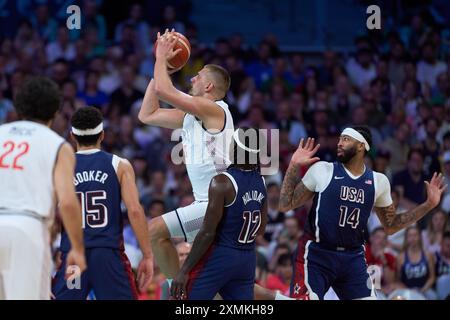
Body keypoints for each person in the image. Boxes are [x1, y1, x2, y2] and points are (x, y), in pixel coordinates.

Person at [279, 126, 447, 300]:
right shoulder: (323, 170)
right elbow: (285, 204)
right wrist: (293, 165)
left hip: (352, 257)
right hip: (317, 253)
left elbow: (391, 226)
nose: (339, 143)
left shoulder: (378, 181)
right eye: (339, 139)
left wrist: (428, 205)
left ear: (361, 145)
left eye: (345, 139)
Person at [138, 29, 234, 279]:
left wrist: (161, 59)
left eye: (198, 76)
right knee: (221, 287)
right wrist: (163, 69)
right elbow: (147, 115)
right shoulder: (194, 115)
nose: (192, 79)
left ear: (209, 86)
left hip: (216, 206)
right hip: (208, 205)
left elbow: (165, 91)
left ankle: (177, 292)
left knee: (155, 230)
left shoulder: (213, 109)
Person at [52, 107, 153, 300]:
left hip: (74, 257)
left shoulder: (60, 167)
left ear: (73, 136)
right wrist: (147, 255)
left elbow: (51, 216)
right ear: (103, 135)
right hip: (108, 255)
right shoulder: (119, 165)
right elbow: (135, 211)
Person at [0, 77, 86, 300]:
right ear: (55, 110)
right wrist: (77, 248)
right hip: (28, 228)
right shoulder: (57, 144)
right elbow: (67, 202)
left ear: (19, 105)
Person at [171, 127, 267, 300]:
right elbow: (260, 229)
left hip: (222, 255)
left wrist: (184, 270)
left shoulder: (222, 182)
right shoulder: (261, 181)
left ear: (235, 149)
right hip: (247, 259)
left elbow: (208, 232)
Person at [397, 226, 437, 300]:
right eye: (410, 235)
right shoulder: (400, 257)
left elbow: (432, 277)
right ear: (406, 238)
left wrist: (422, 290)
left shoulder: (428, 255)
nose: (413, 238)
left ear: (420, 237)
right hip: (407, 290)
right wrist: (410, 292)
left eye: (415, 235)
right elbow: (398, 279)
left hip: (425, 289)